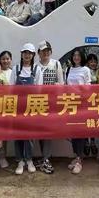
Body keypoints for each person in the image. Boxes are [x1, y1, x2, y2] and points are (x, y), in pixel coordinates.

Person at [11, 43, 43, 175]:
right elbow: (11, 88)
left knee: (29, 135)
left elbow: (39, 89)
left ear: (33, 55)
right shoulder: (16, 68)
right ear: (21, 53)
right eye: (25, 52)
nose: (27, 55)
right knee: (18, 134)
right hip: (17, 107)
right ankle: (20, 161)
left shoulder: (37, 69)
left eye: (29, 53)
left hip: (31, 106)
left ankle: (29, 160)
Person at [36, 41, 64, 174]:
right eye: (43, 51)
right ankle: (43, 157)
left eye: (48, 50)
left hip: (51, 103)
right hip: (37, 103)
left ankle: (46, 158)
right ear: (39, 53)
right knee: (40, 131)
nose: (45, 53)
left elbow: (61, 84)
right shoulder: (35, 66)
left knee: (47, 131)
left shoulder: (56, 64)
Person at [65, 48, 92, 174]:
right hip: (70, 104)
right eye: (74, 55)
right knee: (73, 132)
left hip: (81, 105)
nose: (76, 57)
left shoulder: (86, 70)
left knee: (80, 132)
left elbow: (88, 86)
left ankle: (80, 160)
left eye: (78, 55)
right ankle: (76, 156)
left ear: (82, 57)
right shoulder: (69, 69)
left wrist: (79, 92)